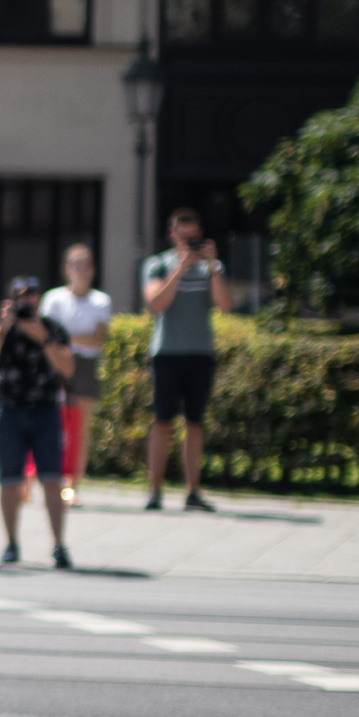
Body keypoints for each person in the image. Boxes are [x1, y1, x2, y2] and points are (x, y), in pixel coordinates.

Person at [0, 275, 76, 567]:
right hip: (8, 410)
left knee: (52, 479)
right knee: (10, 480)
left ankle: (58, 544)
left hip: (45, 410)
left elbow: (67, 367)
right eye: (21, 297)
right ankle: (11, 543)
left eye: (32, 296)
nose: (27, 302)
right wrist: (2, 329)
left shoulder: (52, 328)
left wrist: (42, 336)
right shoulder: (0, 328)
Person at [142, 208, 230, 511]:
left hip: (200, 353)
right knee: (162, 421)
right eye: (185, 237)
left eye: (196, 238)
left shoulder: (212, 267)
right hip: (166, 353)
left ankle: (193, 491)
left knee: (195, 423)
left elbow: (224, 305)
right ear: (172, 235)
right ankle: (155, 491)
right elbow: (156, 303)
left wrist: (213, 267)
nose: (191, 243)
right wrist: (179, 269)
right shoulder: (157, 265)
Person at [41, 243, 112, 506]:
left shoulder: (101, 301)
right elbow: (46, 336)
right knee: (50, 425)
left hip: (85, 367)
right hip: (56, 364)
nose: (81, 271)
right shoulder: (53, 298)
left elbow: (97, 340)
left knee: (80, 429)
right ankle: (43, 481)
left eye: (86, 265)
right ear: (66, 269)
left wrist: (66, 337)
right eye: (76, 265)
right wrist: (72, 339)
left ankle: (73, 486)